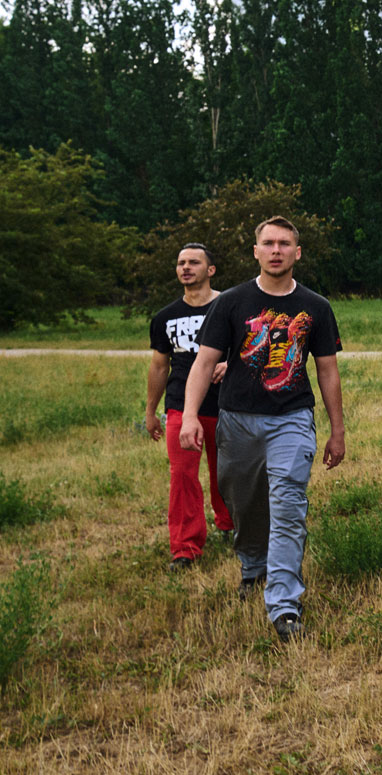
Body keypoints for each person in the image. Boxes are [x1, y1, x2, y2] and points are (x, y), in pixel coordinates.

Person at [180, 217, 345, 643]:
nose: (276, 250)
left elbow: (327, 370)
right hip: (237, 419)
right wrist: (191, 415)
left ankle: (284, 604)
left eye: (284, 244)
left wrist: (337, 430)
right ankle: (252, 565)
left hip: (291, 418)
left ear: (297, 252)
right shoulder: (231, 302)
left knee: (288, 504)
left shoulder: (316, 307)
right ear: (256, 251)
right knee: (244, 500)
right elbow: (204, 362)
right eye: (268, 243)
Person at [145, 243, 232, 569]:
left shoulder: (229, 306)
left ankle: (230, 524)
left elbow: (252, 348)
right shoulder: (166, 317)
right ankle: (185, 548)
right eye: (181, 262)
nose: (186, 267)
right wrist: (152, 411)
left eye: (194, 262)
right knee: (182, 476)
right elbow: (158, 366)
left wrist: (231, 364)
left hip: (226, 405)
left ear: (210, 270)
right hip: (182, 407)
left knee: (227, 473)